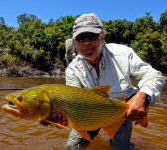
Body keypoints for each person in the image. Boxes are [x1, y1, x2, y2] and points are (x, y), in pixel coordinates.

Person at [42, 13, 165, 150]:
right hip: (86, 116)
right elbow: (72, 101)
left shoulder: (124, 54)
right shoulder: (72, 70)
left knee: (121, 148)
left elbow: (154, 76)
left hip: (120, 113)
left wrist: (143, 96)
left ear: (103, 37)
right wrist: (56, 115)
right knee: (72, 147)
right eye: (81, 38)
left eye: (92, 36)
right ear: (76, 42)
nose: (87, 42)